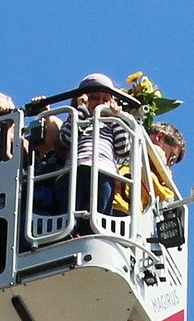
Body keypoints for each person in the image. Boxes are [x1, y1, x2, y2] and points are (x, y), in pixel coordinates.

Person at [36, 73, 133, 220]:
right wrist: (81, 110)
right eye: (94, 98)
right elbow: (66, 138)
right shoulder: (76, 118)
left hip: (104, 171)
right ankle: (70, 234)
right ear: (82, 98)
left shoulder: (112, 124)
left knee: (101, 214)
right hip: (74, 171)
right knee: (69, 214)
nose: (100, 103)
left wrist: (117, 118)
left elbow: (123, 148)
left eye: (106, 100)